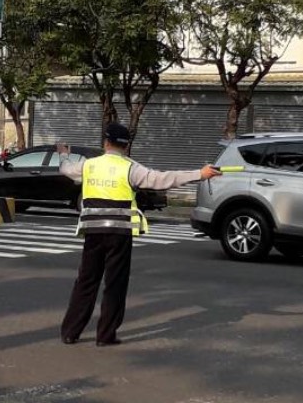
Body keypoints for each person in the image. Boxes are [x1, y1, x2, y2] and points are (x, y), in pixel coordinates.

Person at [56, 123, 221, 347]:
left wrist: (64, 155)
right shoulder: (131, 168)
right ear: (126, 146)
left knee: (86, 281)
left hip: (93, 232)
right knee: (115, 283)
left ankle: (70, 332)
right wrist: (199, 174)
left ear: (105, 142)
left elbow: (66, 169)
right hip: (120, 233)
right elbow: (162, 179)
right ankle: (105, 336)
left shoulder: (89, 166)